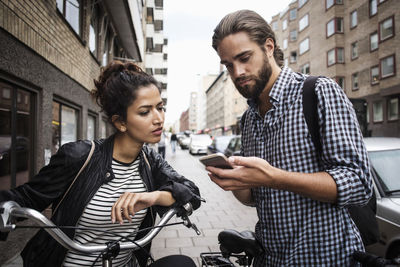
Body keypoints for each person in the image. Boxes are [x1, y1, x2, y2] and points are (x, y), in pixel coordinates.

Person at [207, 10, 372, 266]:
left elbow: (359, 184)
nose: (237, 72)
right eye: (228, 65)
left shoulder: (319, 92)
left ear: (269, 47)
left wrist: (274, 177)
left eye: (244, 58)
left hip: (327, 259)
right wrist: (236, 183)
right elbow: (257, 198)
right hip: (271, 259)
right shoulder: (248, 120)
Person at [0, 61, 201, 267]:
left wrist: (153, 197)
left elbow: (191, 193)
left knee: (181, 263)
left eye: (160, 108)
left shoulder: (151, 160)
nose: (159, 119)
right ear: (120, 122)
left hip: (126, 263)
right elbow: (27, 197)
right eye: (145, 112)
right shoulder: (79, 155)